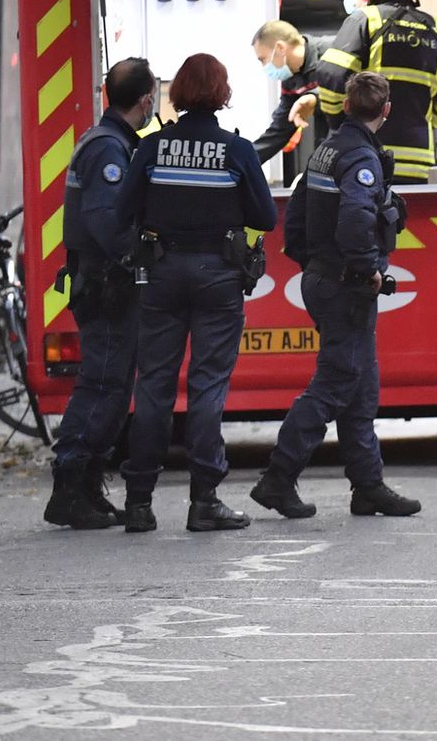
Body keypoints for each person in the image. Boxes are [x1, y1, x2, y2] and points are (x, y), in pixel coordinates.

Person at [116, 53, 278, 533]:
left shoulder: (151, 147)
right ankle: (204, 501)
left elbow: (123, 209)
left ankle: (139, 503)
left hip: (161, 272)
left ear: (177, 91)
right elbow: (265, 218)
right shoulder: (236, 150)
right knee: (208, 384)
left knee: (155, 385)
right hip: (218, 275)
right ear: (222, 93)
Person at [252, 72, 420, 521]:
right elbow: (354, 220)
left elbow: (298, 210)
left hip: (325, 278)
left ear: (346, 106)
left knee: (360, 387)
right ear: (385, 111)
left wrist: (311, 262)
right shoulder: (361, 157)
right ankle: (278, 478)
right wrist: (366, 269)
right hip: (345, 285)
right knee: (334, 385)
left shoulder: (326, 149)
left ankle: (368, 487)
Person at [43, 58, 158, 530]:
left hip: (105, 283)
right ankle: (70, 484)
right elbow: (107, 223)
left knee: (110, 384)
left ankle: (86, 485)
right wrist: (143, 255)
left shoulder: (111, 142)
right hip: (107, 286)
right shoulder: (109, 150)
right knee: (103, 384)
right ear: (146, 100)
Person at [315, 0, 437, 183]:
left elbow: (331, 75)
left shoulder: (365, 20)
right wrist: (421, 122)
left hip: (366, 157)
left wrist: (340, 123)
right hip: (418, 164)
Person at [250, 20, 334, 169]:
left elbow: (353, 88)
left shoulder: (334, 50)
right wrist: (243, 160)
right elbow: (280, 129)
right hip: (328, 150)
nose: (264, 67)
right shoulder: (291, 78)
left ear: (280, 48)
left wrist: (315, 97)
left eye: (263, 59)